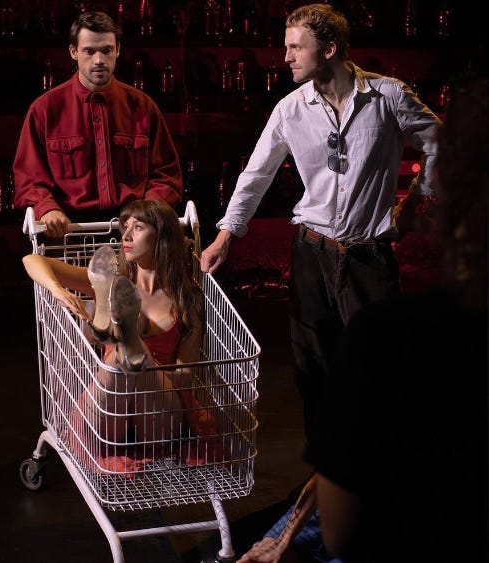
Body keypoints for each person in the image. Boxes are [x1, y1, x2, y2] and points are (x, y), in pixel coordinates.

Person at [197, 4, 442, 562]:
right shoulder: (290, 109)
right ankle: (327, 491)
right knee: (315, 376)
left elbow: (439, 143)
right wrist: (225, 237)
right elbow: (255, 175)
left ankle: (378, 494)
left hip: (367, 258)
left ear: (328, 49)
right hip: (310, 252)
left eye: (294, 47)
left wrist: (417, 200)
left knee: (379, 381)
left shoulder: (387, 97)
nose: (283, 57)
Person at [305, 77, 488, 562]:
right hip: (318, 246)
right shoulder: (294, 105)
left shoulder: (395, 339)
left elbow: (343, 535)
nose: (285, 57)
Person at [22, 199, 212, 470]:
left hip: (156, 411)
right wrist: (59, 291)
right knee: (121, 357)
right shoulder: (111, 280)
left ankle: (128, 342)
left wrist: (148, 373)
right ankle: (127, 344)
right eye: (125, 227)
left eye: (138, 227)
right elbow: (32, 260)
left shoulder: (187, 300)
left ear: (162, 236)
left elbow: (185, 378)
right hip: (112, 408)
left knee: (130, 355)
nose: (125, 235)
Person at [13, 11, 183, 238]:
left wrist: (147, 212)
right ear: (73, 52)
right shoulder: (44, 110)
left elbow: (167, 174)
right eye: (89, 51)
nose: (99, 60)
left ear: (118, 50)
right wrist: (48, 207)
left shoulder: (143, 107)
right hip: (68, 232)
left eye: (106, 50)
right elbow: (29, 179)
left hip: (133, 229)